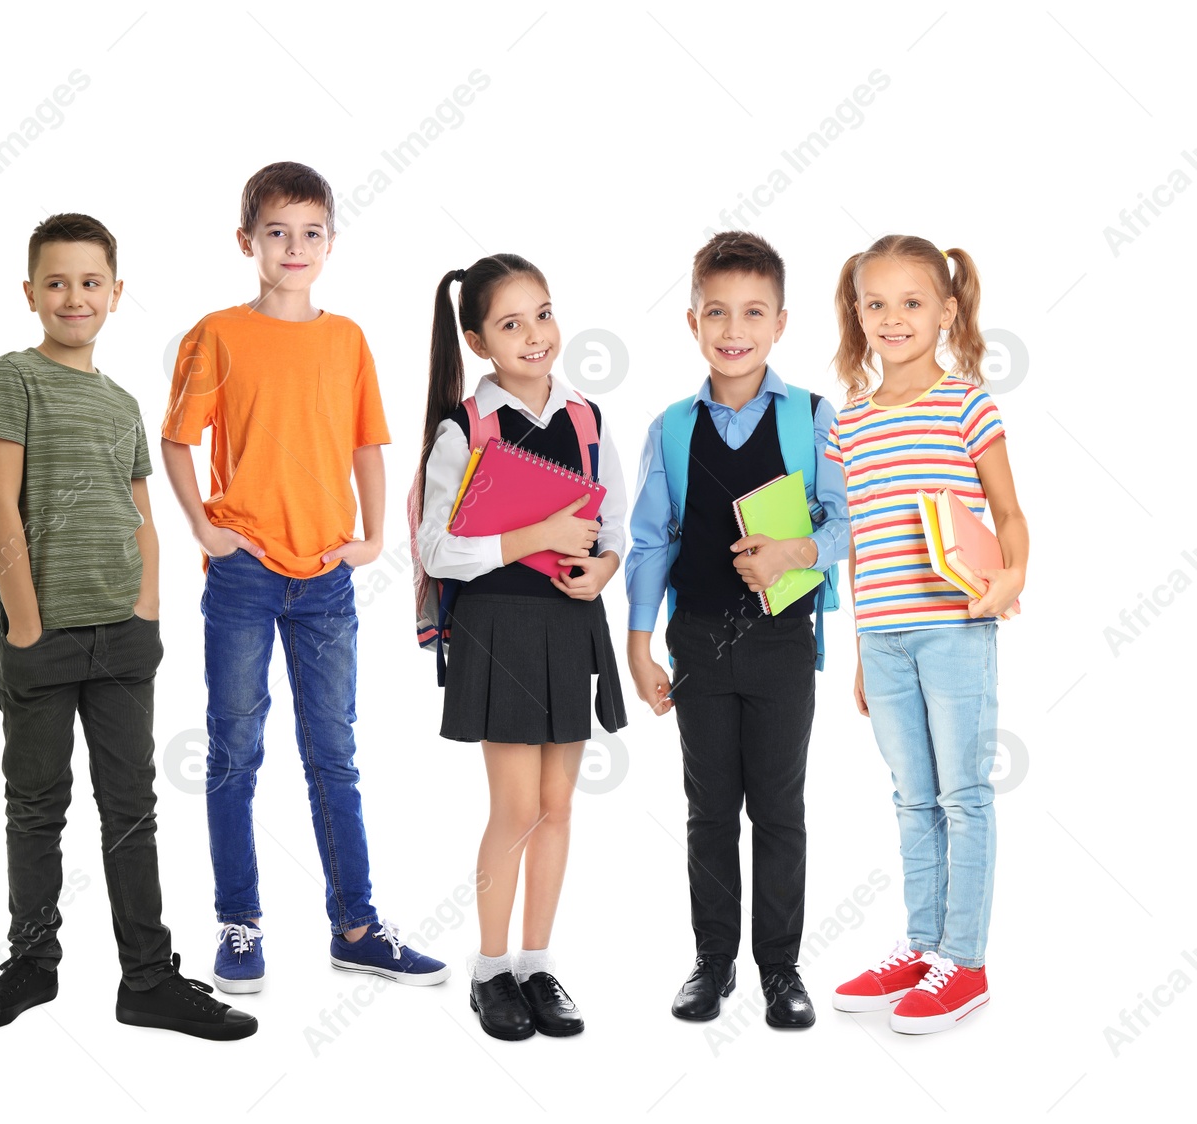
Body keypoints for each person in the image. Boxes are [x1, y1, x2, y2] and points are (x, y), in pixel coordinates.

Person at [0, 213, 255, 1040]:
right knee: (36, 804)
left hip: (123, 638)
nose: (74, 297)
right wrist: (23, 622)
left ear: (116, 294)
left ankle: (149, 979)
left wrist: (147, 607)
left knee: (131, 807)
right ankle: (31, 963)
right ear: (30, 294)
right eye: (56, 282)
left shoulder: (124, 403)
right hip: (42, 637)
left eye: (90, 282)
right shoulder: (12, 379)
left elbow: (142, 514)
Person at [161, 162, 448, 995]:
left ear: (329, 241)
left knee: (335, 755)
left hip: (325, 576)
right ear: (246, 241)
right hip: (244, 572)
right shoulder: (217, 334)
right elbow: (178, 439)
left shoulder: (346, 338)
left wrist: (366, 539)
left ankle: (356, 927)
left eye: (311, 232)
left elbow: (368, 443)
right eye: (277, 232)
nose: (295, 247)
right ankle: (239, 925)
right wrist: (205, 528)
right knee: (234, 752)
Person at [626, 232, 847, 1030]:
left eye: (753, 312)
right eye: (716, 311)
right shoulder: (671, 428)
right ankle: (713, 961)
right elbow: (653, 538)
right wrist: (638, 642)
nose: (734, 327)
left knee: (779, 809)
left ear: (781, 323)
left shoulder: (815, 418)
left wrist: (798, 550)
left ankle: (781, 969)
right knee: (709, 808)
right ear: (692, 321)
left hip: (783, 641)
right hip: (697, 640)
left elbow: (846, 519)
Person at [416, 253, 627, 1040]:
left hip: (570, 622)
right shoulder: (464, 429)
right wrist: (533, 535)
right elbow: (437, 548)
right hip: (498, 626)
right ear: (478, 341)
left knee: (558, 805)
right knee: (514, 806)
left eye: (543, 313)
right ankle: (490, 971)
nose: (535, 335)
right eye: (511, 323)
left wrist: (603, 565)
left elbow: (617, 528)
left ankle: (537, 964)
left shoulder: (587, 418)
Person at [826, 235, 1027, 1034]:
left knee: (963, 795)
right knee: (913, 798)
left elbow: (1009, 514)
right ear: (856, 314)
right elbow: (858, 541)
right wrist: (860, 656)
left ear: (946, 311)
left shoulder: (968, 404)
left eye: (911, 303)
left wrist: (1012, 577)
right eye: (875, 304)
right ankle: (922, 945)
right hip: (884, 639)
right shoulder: (848, 425)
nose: (891, 319)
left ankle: (965, 962)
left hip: (954, 629)